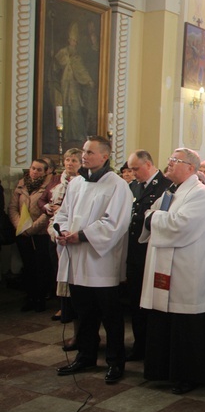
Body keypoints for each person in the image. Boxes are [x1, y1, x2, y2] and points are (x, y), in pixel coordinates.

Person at [139, 147, 205, 395]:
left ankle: (189, 375)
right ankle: (163, 370)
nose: (169, 164)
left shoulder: (199, 194)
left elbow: (180, 225)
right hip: (166, 263)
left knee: (185, 324)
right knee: (164, 319)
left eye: (175, 161)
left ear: (191, 168)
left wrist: (152, 218)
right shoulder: (171, 191)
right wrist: (152, 216)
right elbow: (153, 213)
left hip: (187, 269)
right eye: (170, 159)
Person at [54, 136, 132, 384]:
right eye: (84, 151)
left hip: (101, 263)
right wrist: (61, 231)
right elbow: (63, 213)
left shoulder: (117, 185)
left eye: (90, 152)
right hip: (76, 259)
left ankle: (115, 361)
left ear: (105, 156)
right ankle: (86, 355)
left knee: (109, 314)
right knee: (84, 312)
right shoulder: (76, 183)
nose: (85, 156)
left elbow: (115, 223)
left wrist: (83, 236)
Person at [124, 149, 169, 362]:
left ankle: (153, 346)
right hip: (134, 253)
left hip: (151, 253)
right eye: (130, 169)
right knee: (135, 302)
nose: (133, 173)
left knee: (152, 303)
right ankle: (139, 344)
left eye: (136, 169)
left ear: (148, 164)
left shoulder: (165, 186)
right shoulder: (133, 186)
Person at [42, 148, 82, 325]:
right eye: (67, 160)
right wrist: (48, 208)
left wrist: (63, 210)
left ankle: (72, 308)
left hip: (71, 231)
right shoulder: (56, 180)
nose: (70, 163)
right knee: (57, 269)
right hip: (55, 228)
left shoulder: (81, 182)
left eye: (74, 160)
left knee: (71, 273)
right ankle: (63, 305)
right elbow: (42, 199)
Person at [9, 158, 54, 311]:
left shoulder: (48, 186)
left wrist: (32, 228)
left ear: (45, 172)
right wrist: (20, 226)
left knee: (41, 267)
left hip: (40, 233)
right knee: (28, 266)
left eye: (39, 170)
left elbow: (48, 211)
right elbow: (13, 207)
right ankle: (30, 297)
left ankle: (40, 299)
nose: (35, 172)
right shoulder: (22, 184)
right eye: (33, 168)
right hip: (22, 232)